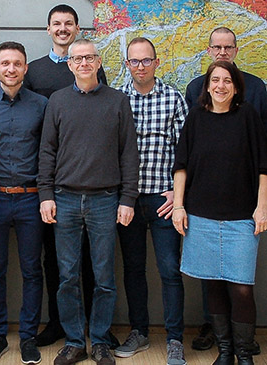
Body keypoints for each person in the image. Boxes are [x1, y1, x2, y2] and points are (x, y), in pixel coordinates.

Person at [38, 39, 139, 365]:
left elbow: (128, 154)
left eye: (89, 58)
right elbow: (47, 152)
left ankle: (98, 341)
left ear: (98, 62)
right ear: (69, 64)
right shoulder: (57, 101)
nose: (83, 63)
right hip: (64, 200)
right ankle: (73, 341)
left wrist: (128, 199)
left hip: (105, 201)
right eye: (77, 58)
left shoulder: (117, 101)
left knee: (103, 278)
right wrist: (46, 195)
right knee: (67, 277)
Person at [23, 3, 115, 349]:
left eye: (69, 23)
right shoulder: (35, 71)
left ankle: (96, 328)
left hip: (96, 188)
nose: (63, 28)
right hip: (54, 186)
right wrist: (44, 187)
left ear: (77, 29)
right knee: (58, 264)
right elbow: (40, 134)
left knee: (95, 264)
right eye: (57, 24)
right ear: (48, 29)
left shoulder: (93, 71)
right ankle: (60, 324)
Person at [173, 60, 267, 365]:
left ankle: (244, 354)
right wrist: (178, 206)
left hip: (242, 217)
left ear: (236, 86)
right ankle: (225, 353)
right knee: (212, 283)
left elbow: (264, 168)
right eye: (215, 80)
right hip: (201, 217)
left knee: (241, 288)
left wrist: (262, 207)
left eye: (228, 80)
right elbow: (181, 166)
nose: (221, 86)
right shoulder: (196, 118)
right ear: (207, 85)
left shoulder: (248, 117)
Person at [0, 41, 46, 365]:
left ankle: (28, 337)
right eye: (5, 63)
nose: (11, 69)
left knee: (32, 270)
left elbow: (49, 153)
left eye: (17, 63)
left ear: (25, 68)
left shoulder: (43, 105)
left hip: (32, 199)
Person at [115, 37, 187, 365]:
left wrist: (178, 192)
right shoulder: (117, 99)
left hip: (163, 200)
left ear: (157, 62)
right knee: (132, 269)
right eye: (134, 61)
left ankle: (174, 339)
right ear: (126, 64)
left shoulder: (173, 98)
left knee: (170, 270)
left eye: (146, 60)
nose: (140, 66)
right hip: (128, 199)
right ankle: (140, 332)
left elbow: (187, 151)